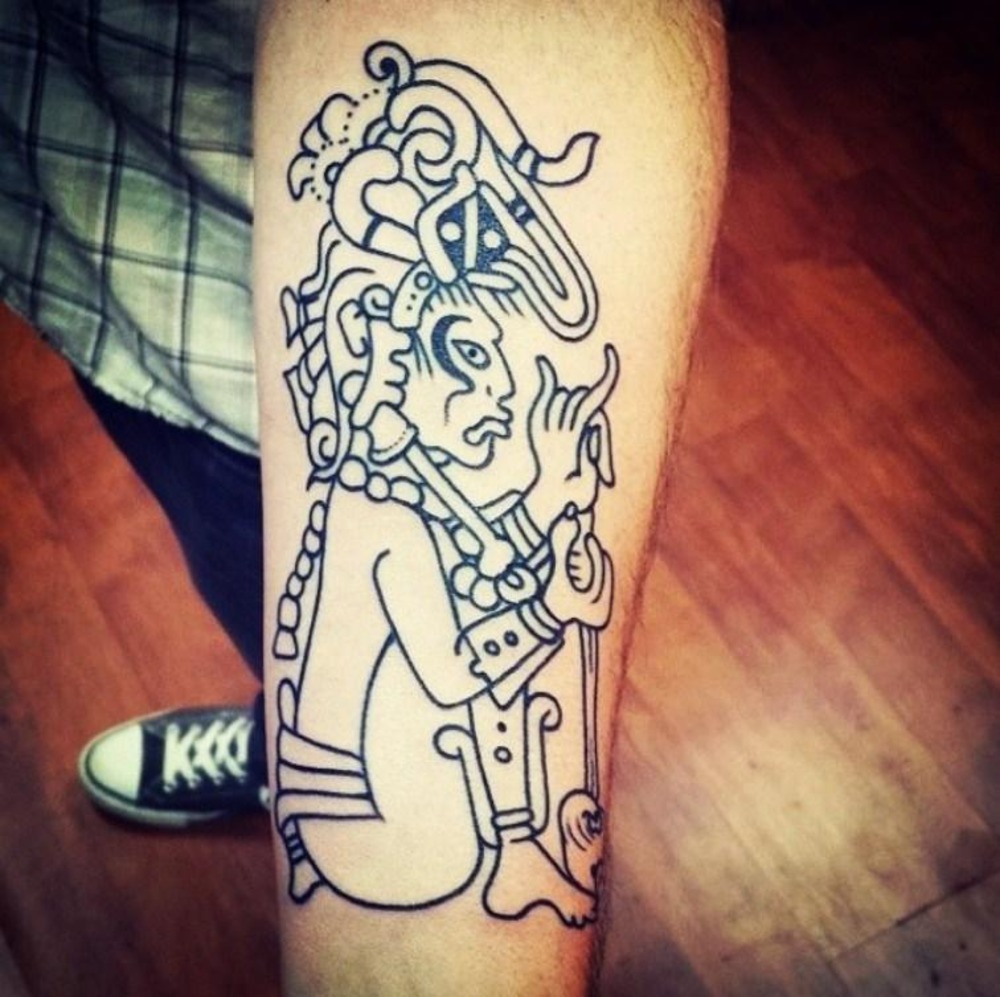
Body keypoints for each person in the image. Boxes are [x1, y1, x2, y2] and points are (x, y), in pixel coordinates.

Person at [2, 1, 728, 993]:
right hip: (124, 305)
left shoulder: (381, 486)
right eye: (462, 368)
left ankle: (292, 759)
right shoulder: (388, 517)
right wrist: (548, 605)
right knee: (260, 594)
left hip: (216, 353)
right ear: (391, 375)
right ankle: (288, 757)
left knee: (288, 611)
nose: (489, 399)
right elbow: (456, 675)